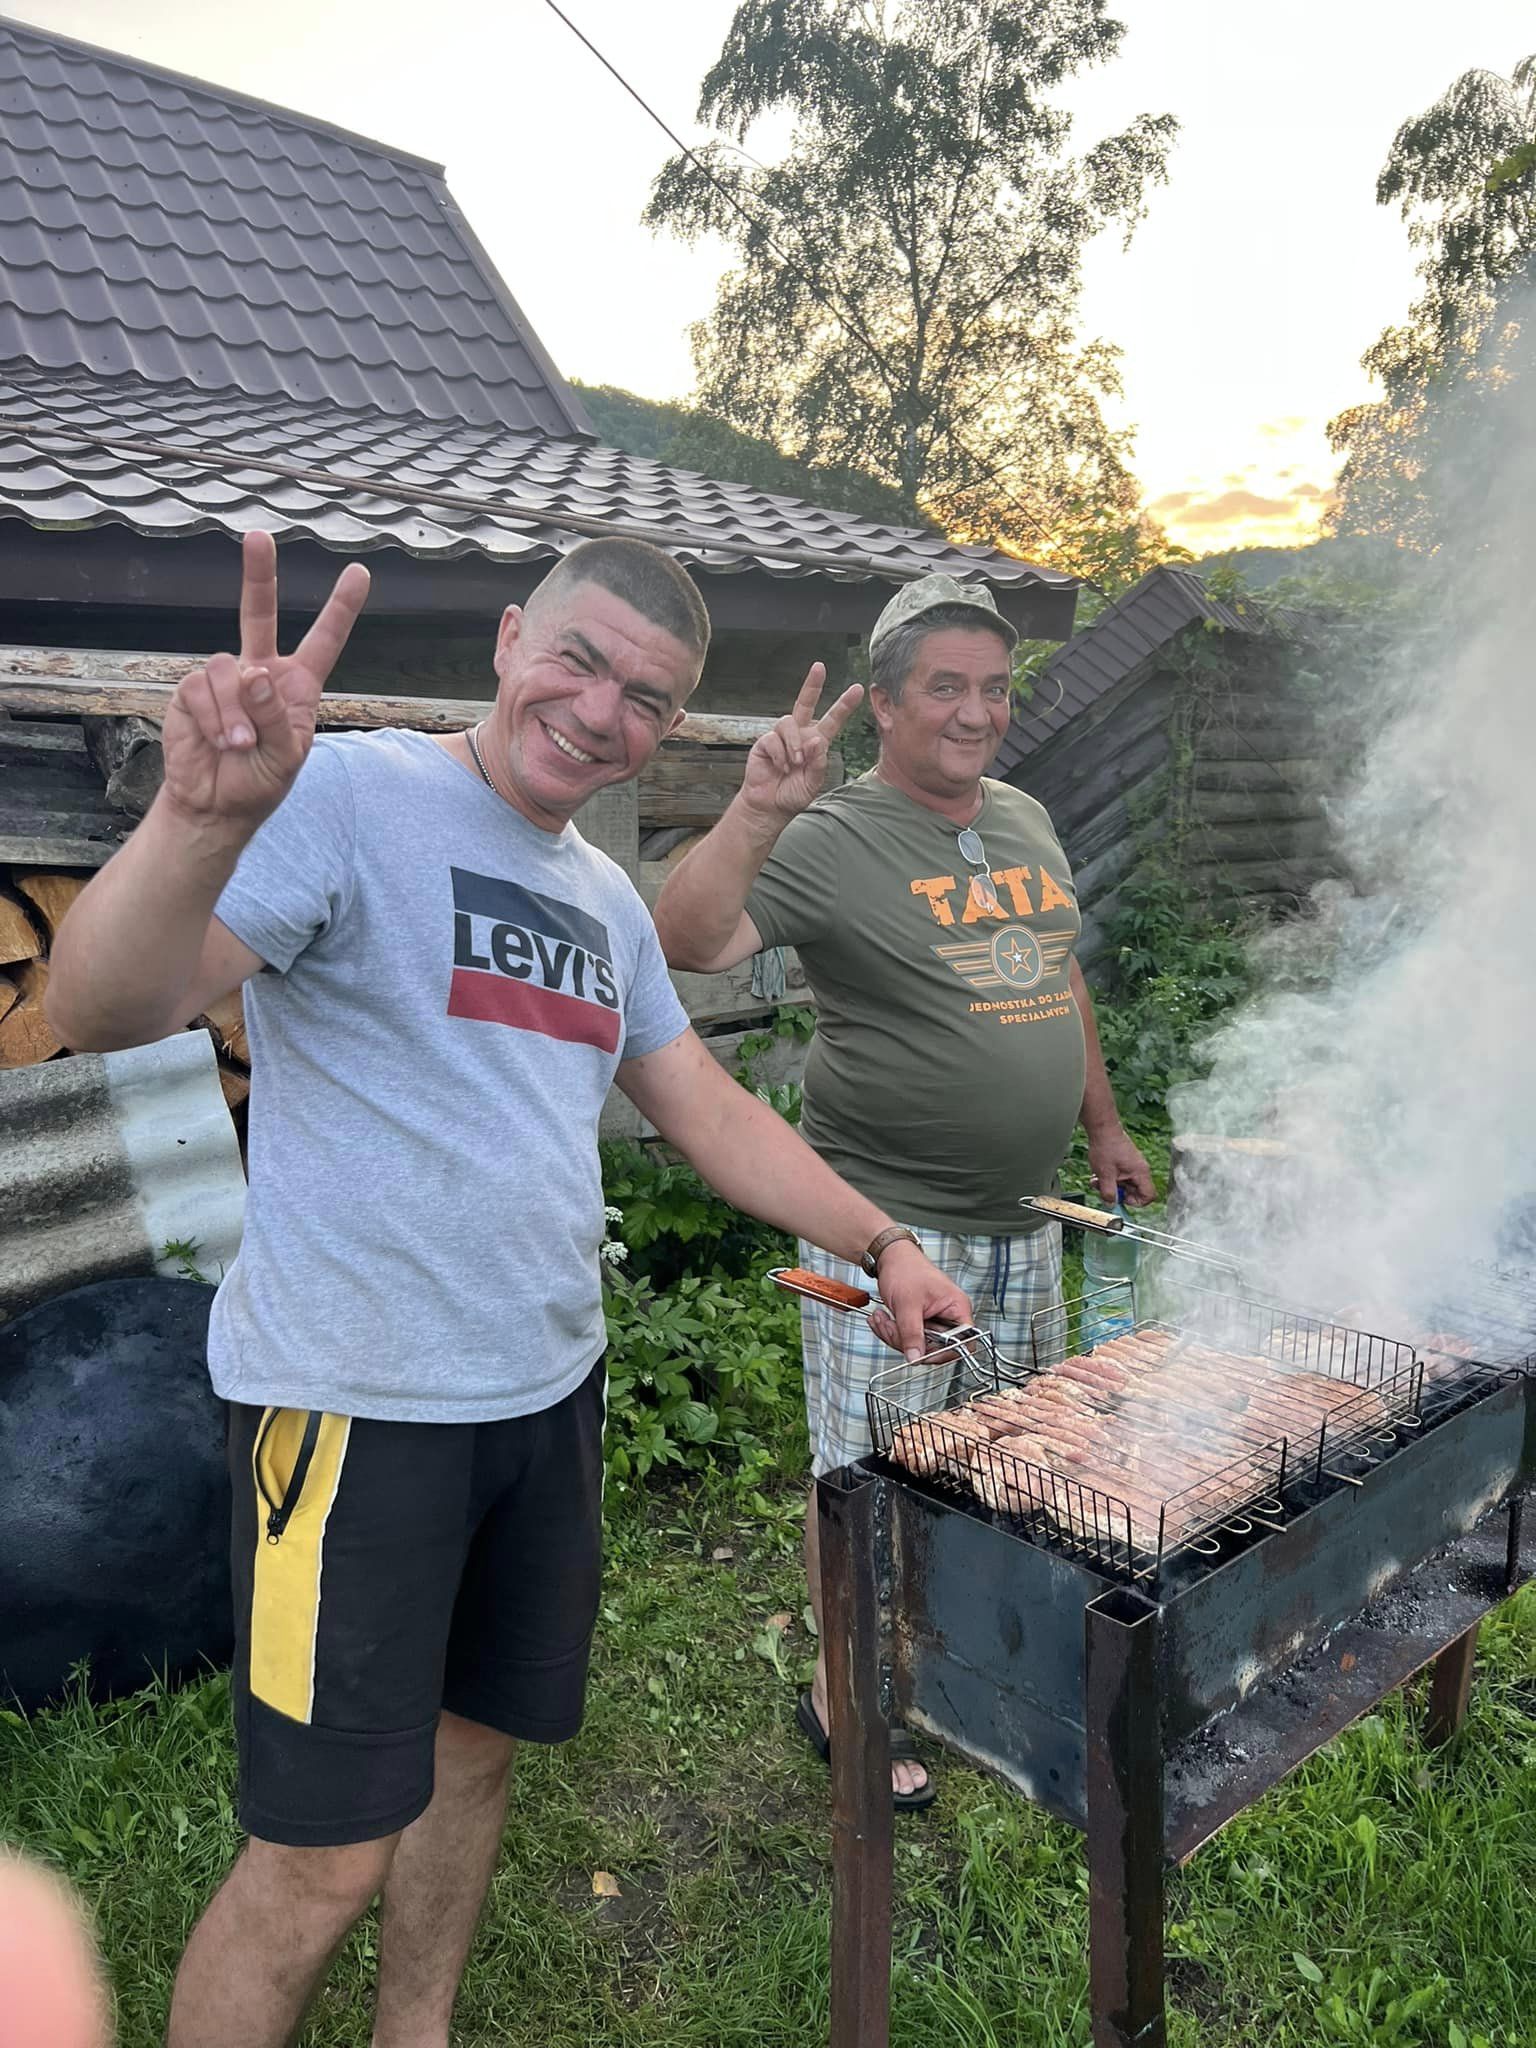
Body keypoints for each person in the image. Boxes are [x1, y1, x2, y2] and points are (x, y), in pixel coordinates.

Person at [44, 532, 970, 2048]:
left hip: (543, 1401)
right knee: (322, 1858)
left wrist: (884, 1241)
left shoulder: (604, 896)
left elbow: (705, 1105)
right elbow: (99, 1003)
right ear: (508, 638)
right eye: (581, 662)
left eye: (647, 700)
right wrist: (198, 820)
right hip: (355, 1409)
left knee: (474, 1759)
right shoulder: (351, 796)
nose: (603, 713)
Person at [654, 572, 1154, 1808]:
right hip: (889, 1228)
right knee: (873, 1482)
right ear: (883, 702)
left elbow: (1057, 976)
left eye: (995, 687)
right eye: (946, 686)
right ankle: (845, 1697)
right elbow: (688, 937)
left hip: (1024, 1221)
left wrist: (1100, 1119)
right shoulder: (836, 835)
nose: (978, 711)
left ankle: (966, 1661)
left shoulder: (1025, 816)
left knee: (1011, 1458)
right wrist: (757, 810)